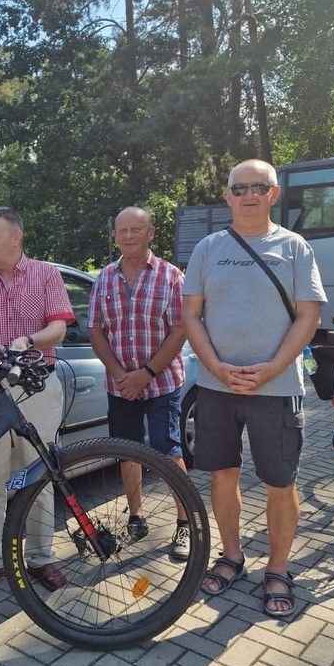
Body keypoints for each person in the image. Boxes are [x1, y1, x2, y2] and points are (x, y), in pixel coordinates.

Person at [181, 159, 326, 620]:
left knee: (280, 483)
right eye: (239, 188)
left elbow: (309, 316)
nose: (248, 195)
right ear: (227, 195)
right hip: (216, 387)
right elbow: (190, 316)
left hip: (276, 388)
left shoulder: (295, 247)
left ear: (273, 194)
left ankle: (278, 569)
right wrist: (216, 368)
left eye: (258, 187)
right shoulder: (208, 248)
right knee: (222, 475)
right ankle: (232, 555)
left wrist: (271, 369)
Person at [0, 206, 75, 593]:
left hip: (38, 383)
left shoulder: (46, 274)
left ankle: (41, 558)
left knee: (39, 472)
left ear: (16, 238)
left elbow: (58, 328)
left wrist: (29, 340)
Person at [88, 206, 191, 559]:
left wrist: (145, 373)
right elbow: (95, 330)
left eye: (137, 229)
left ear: (151, 233)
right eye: (123, 230)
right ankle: (136, 517)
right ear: (115, 235)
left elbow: (180, 330)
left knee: (168, 450)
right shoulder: (104, 278)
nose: (129, 235)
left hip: (161, 383)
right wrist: (120, 374)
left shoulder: (171, 277)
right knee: (127, 451)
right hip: (120, 385)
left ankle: (185, 522)